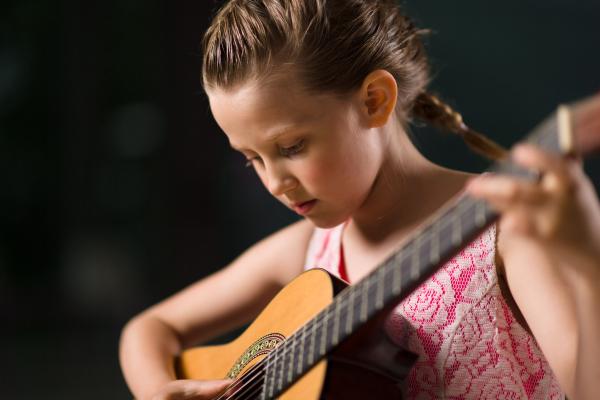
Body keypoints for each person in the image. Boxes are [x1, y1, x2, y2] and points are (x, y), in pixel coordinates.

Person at [119, 0, 600, 399]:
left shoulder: (508, 237)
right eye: (252, 158)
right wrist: (157, 389)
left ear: (374, 100)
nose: (274, 183)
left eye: (291, 147)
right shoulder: (310, 251)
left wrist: (586, 258)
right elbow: (148, 328)